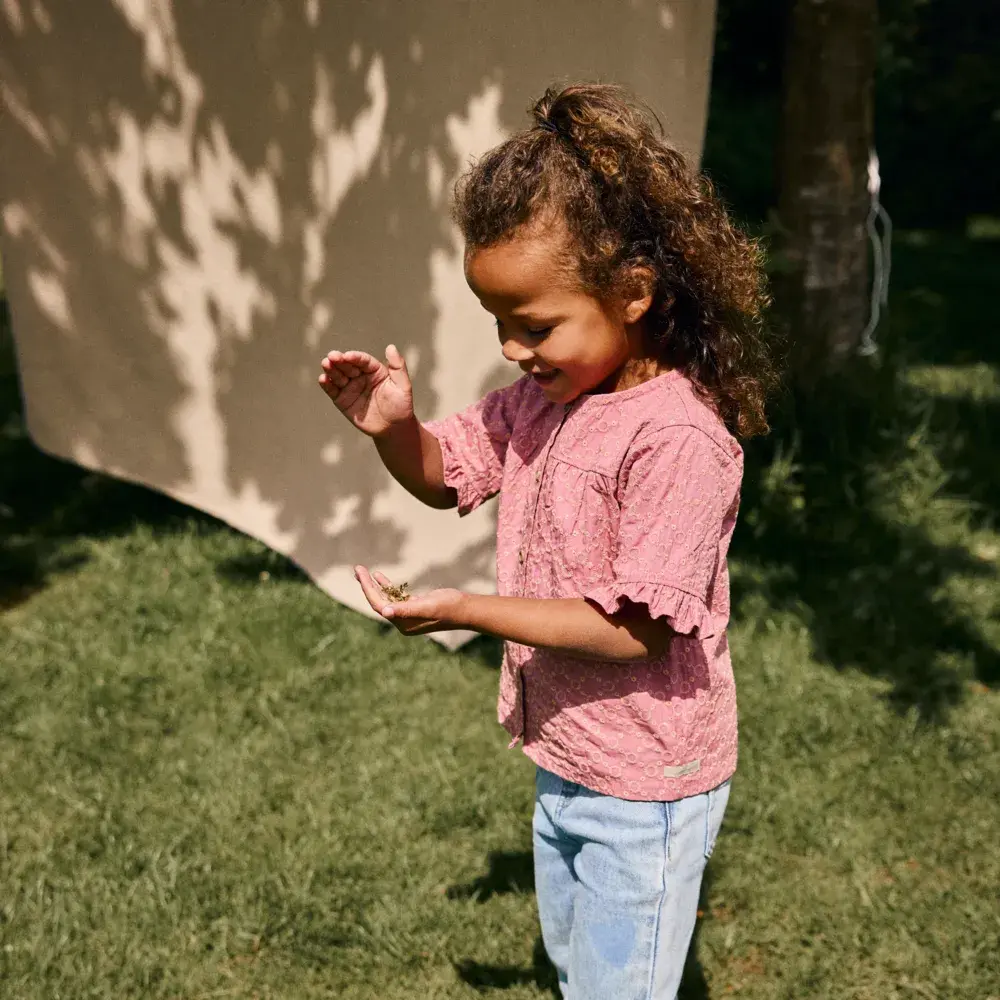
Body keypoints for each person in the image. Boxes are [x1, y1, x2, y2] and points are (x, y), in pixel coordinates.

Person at [318, 83, 776, 999]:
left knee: (622, 988)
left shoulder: (677, 439)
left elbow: (632, 629)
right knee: (582, 968)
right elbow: (449, 472)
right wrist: (393, 432)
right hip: (569, 752)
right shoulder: (542, 399)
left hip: (647, 776)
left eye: (536, 326)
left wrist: (466, 610)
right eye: (500, 325)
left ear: (633, 294)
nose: (514, 351)